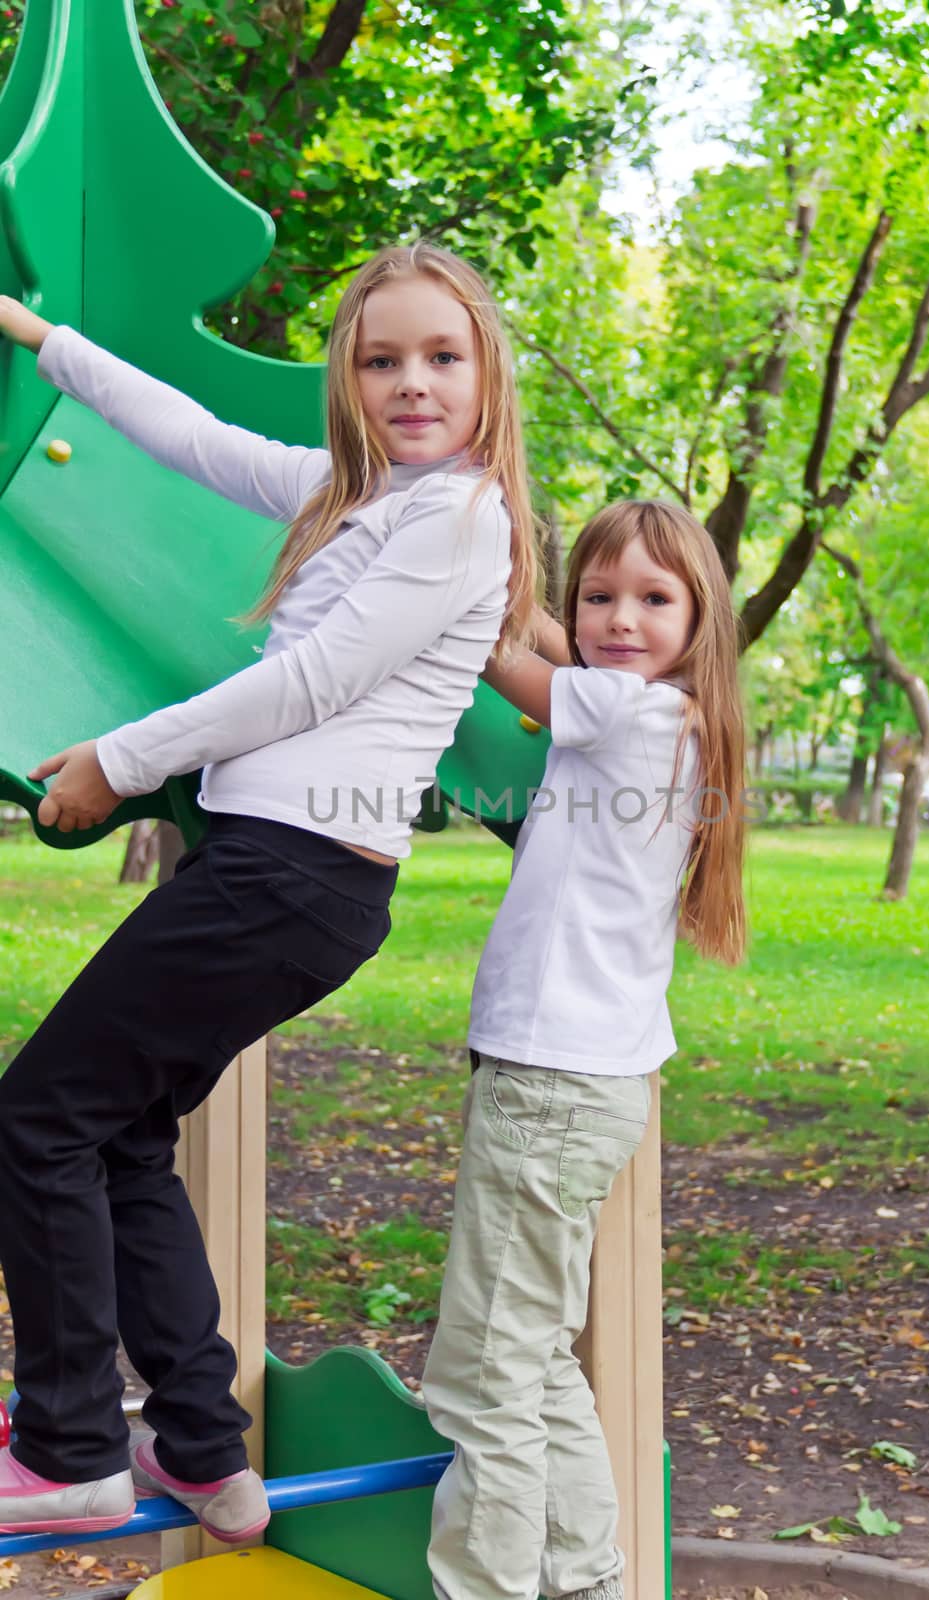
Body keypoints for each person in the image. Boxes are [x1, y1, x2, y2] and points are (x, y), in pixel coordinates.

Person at [0, 240, 537, 1540]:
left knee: (36, 1121)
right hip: (279, 879)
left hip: (294, 876)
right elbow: (179, 433)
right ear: (349, 382)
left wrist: (116, 766)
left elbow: (311, 682)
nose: (411, 382)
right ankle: (203, 1455)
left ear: (486, 378)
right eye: (379, 358)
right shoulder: (342, 499)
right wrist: (32, 336)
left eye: (440, 356)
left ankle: (72, 1445)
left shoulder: (461, 519)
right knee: (118, 1132)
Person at [421, 500, 747, 1600]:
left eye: (653, 599)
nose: (616, 619)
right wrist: (564, 624)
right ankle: (588, 1580)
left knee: (481, 1377)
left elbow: (504, 659)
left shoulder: (619, 715)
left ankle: (492, 1585)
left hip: (547, 1081)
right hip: (588, 1080)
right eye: (597, 596)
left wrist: (440, 578)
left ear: (699, 616)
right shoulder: (673, 716)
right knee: (535, 1355)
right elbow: (570, 657)